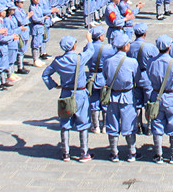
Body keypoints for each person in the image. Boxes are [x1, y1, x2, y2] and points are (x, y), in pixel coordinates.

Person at [42, 34, 97, 162]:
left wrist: (54, 85)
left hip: (65, 93)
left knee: (65, 123)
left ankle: (65, 152)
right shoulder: (79, 58)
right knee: (83, 124)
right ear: (73, 46)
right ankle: (84, 152)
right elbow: (91, 51)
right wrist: (89, 40)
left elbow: (45, 75)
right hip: (80, 93)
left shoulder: (58, 61)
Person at [147, 34, 173, 163]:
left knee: (157, 125)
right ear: (169, 47)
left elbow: (149, 75)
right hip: (171, 96)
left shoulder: (151, 62)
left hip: (156, 95)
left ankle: (158, 154)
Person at [103, 32, 141, 162]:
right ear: (125, 46)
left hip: (113, 96)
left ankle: (114, 153)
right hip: (127, 96)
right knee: (129, 125)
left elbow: (105, 76)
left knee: (112, 125)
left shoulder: (108, 61)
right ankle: (132, 152)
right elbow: (137, 78)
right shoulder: (132, 62)